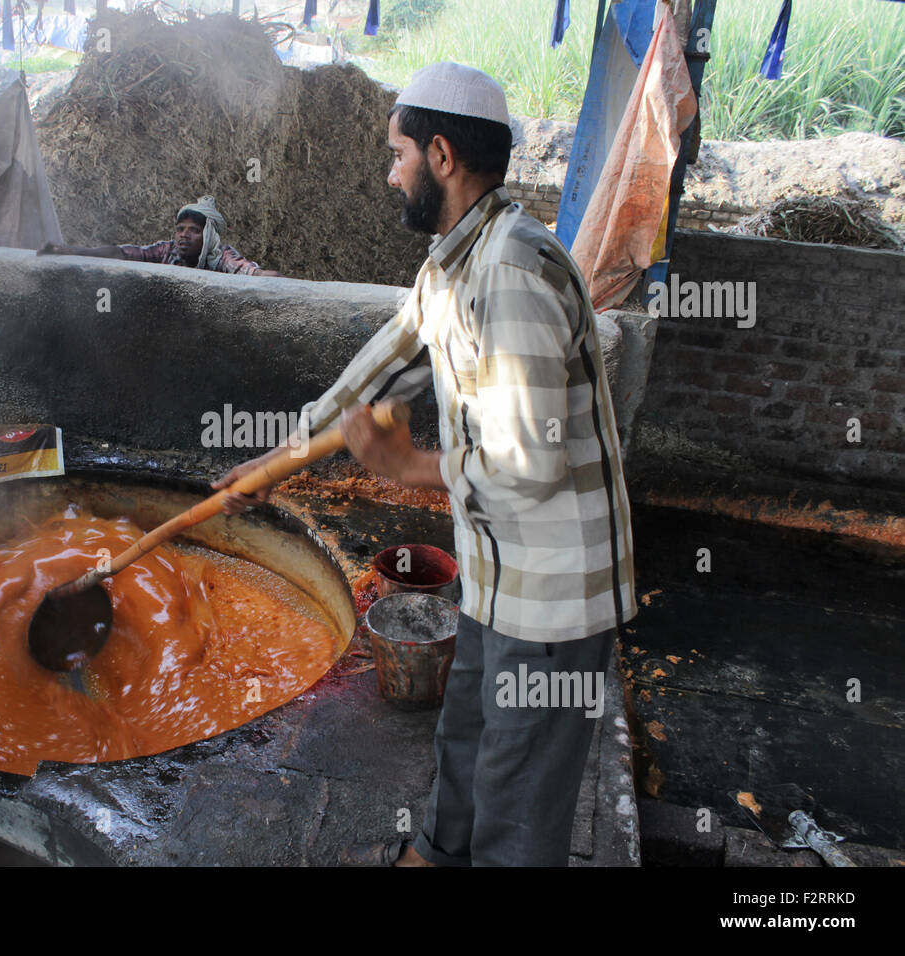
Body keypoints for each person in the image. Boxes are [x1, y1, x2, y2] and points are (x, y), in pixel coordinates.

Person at [212, 62, 636, 866]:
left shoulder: (512, 270)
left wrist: (407, 466)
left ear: (441, 154)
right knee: (467, 730)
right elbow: (374, 374)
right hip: (495, 576)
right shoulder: (454, 262)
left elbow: (529, 460)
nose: (389, 171)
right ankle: (431, 857)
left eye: (397, 153)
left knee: (520, 793)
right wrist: (270, 465)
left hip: (552, 598)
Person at [39, 196, 280, 276]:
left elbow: (252, 272)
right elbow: (124, 253)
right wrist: (73, 250)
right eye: (180, 229)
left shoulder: (222, 258)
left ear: (209, 237)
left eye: (194, 231)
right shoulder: (167, 251)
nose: (184, 235)